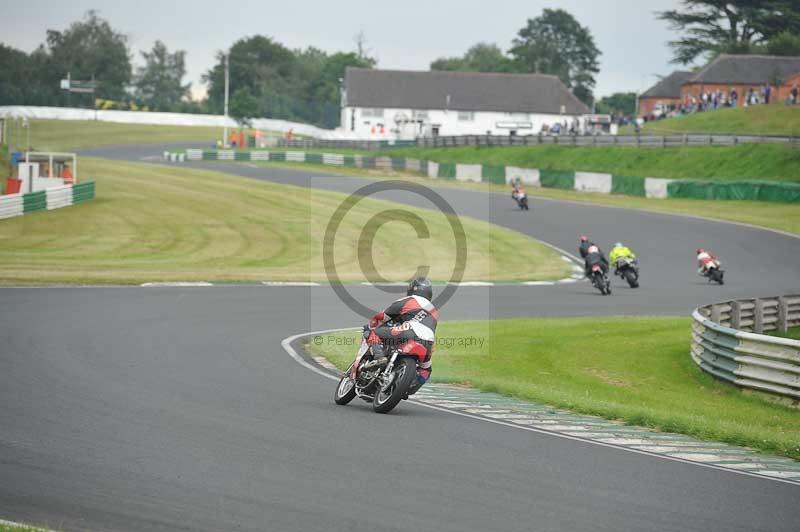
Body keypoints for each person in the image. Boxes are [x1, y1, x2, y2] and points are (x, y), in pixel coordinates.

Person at [367, 277, 438, 395]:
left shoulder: (409, 300)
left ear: (411, 289)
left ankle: (379, 357)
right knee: (426, 370)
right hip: (428, 341)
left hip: (409, 331)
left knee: (375, 333)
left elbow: (384, 316)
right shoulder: (434, 311)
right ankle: (411, 388)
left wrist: (374, 322)